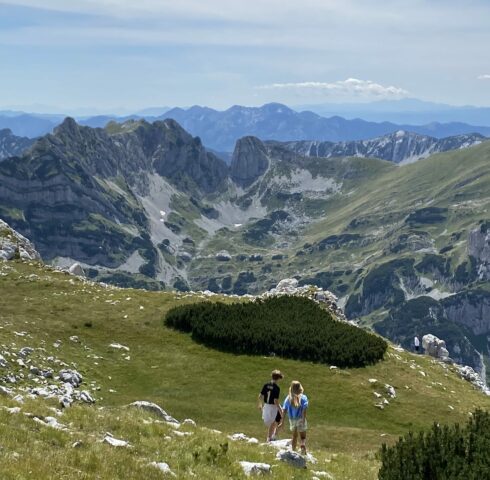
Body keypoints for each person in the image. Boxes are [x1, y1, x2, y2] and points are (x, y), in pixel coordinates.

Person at [279, 380, 308, 455]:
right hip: (301, 418)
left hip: (292, 419)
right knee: (303, 436)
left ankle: (294, 451)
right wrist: (303, 419)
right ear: (300, 388)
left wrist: (282, 422)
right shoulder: (303, 397)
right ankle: (303, 445)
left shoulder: (288, 398)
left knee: (294, 436)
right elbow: (304, 409)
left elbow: (284, 410)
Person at [258, 370, 284, 442]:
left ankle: (269, 438)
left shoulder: (266, 385)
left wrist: (260, 404)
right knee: (274, 422)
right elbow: (276, 401)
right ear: (278, 378)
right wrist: (280, 410)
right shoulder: (276, 388)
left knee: (270, 423)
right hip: (273, 407)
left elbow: (260, 396)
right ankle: (271, 438)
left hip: (266, 406)